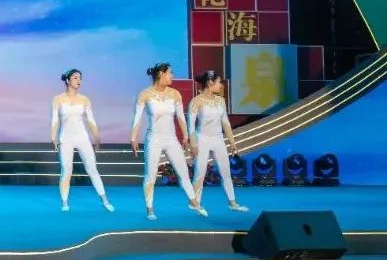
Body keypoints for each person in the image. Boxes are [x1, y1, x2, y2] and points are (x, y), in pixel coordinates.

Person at [130, 62, 206, 221]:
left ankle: (195, 204)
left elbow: (181, 118)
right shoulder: (145, 94)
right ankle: (150, 209)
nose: (173, 76)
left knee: (184, 174)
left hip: (171, 139)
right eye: (170, 73)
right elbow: (137, 118)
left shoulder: (175, 94)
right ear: (161, 74)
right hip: (154, 139)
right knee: (150, 176)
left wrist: (185, 136)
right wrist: (133, 138)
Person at [51, 69, 114, 212]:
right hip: (65, 138)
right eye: (75, 78)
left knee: (92, 169)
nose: (79, 80)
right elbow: (55, 120)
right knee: (66, 171)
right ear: (68, 80)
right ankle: (64, 202)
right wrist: (53, 137)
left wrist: (97, 138)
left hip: (82, 138)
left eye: (80, 78)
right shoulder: (57, 99)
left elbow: (91, 120)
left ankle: (105, 200)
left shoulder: (85, 99)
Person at [189, 70, 250, 213]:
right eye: (218, 82)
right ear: (210, 83)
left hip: (218, 139)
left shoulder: (221, 100)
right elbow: (190, 125)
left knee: (225, 171)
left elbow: (226, 123)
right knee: (200, 172)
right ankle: (195, 203)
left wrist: (232, 142)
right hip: (202, 138)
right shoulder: (196, 101)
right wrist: (193, 144)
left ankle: (232, 202)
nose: (221, 85)